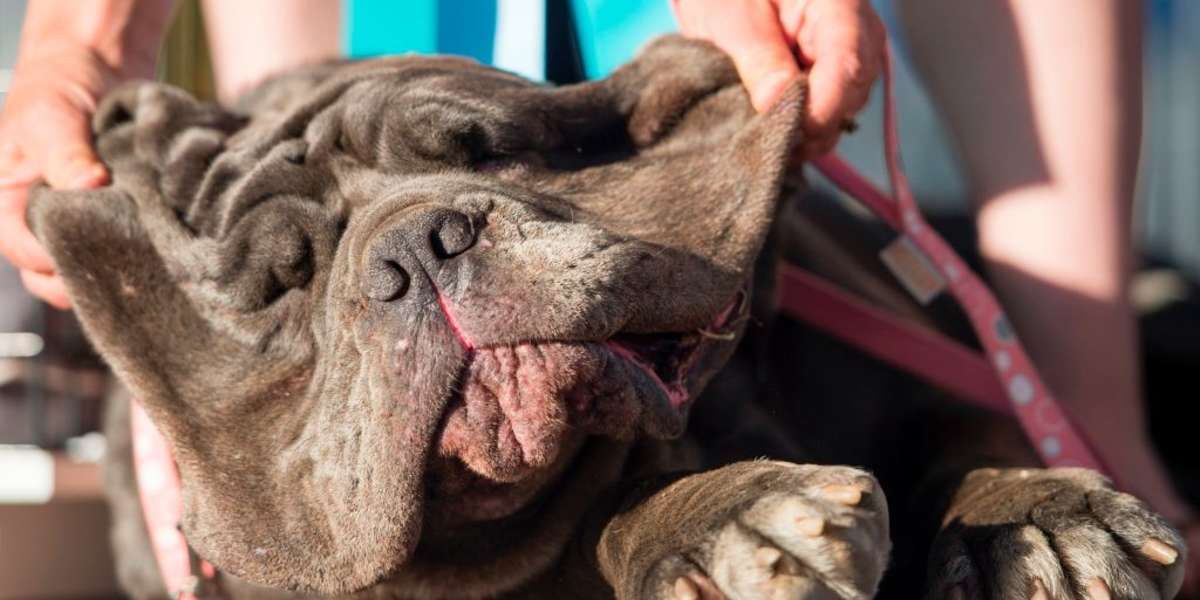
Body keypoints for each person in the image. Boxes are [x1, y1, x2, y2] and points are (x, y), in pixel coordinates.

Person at [1, 0, 1195, 591]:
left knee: (1007, 451)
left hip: (644, 83)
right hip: (356, 40)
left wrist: (1079, 404)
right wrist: (81, 39)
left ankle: (1067, 434)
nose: (416, 261)